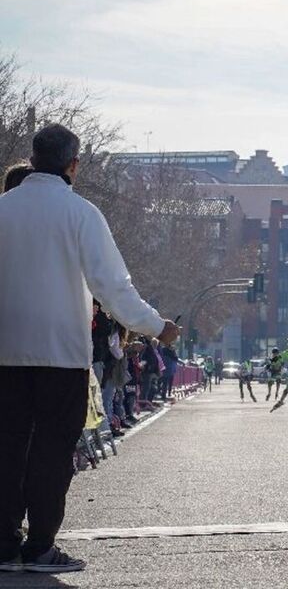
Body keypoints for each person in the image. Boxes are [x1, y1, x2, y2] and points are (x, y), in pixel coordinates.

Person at [0, 123, 179, 574]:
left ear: (34, 158)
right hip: (61, 355)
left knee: (6, 446)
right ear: (72, 165)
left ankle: (2, 543)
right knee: (52, 452)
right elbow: (113, 287)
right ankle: (40, 546)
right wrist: (156, 326)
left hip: (4, 353)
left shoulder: (3, 209)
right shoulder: (81, 214)